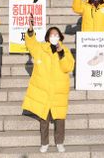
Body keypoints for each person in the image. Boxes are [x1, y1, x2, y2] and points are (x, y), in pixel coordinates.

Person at [22, 14, 74, 153]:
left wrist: (61, 54)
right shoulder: (40, 49)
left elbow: (68, 67)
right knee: (43, 118)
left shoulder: (65, 51)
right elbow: (30, 43)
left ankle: (59, 142)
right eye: (51, 34)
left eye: (56, 34)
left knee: (59, 118)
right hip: (43, 89)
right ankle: (44, 143)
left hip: (58, 90)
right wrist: (31, 29)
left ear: (60, 38)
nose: (54, 36)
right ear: (47, 37)